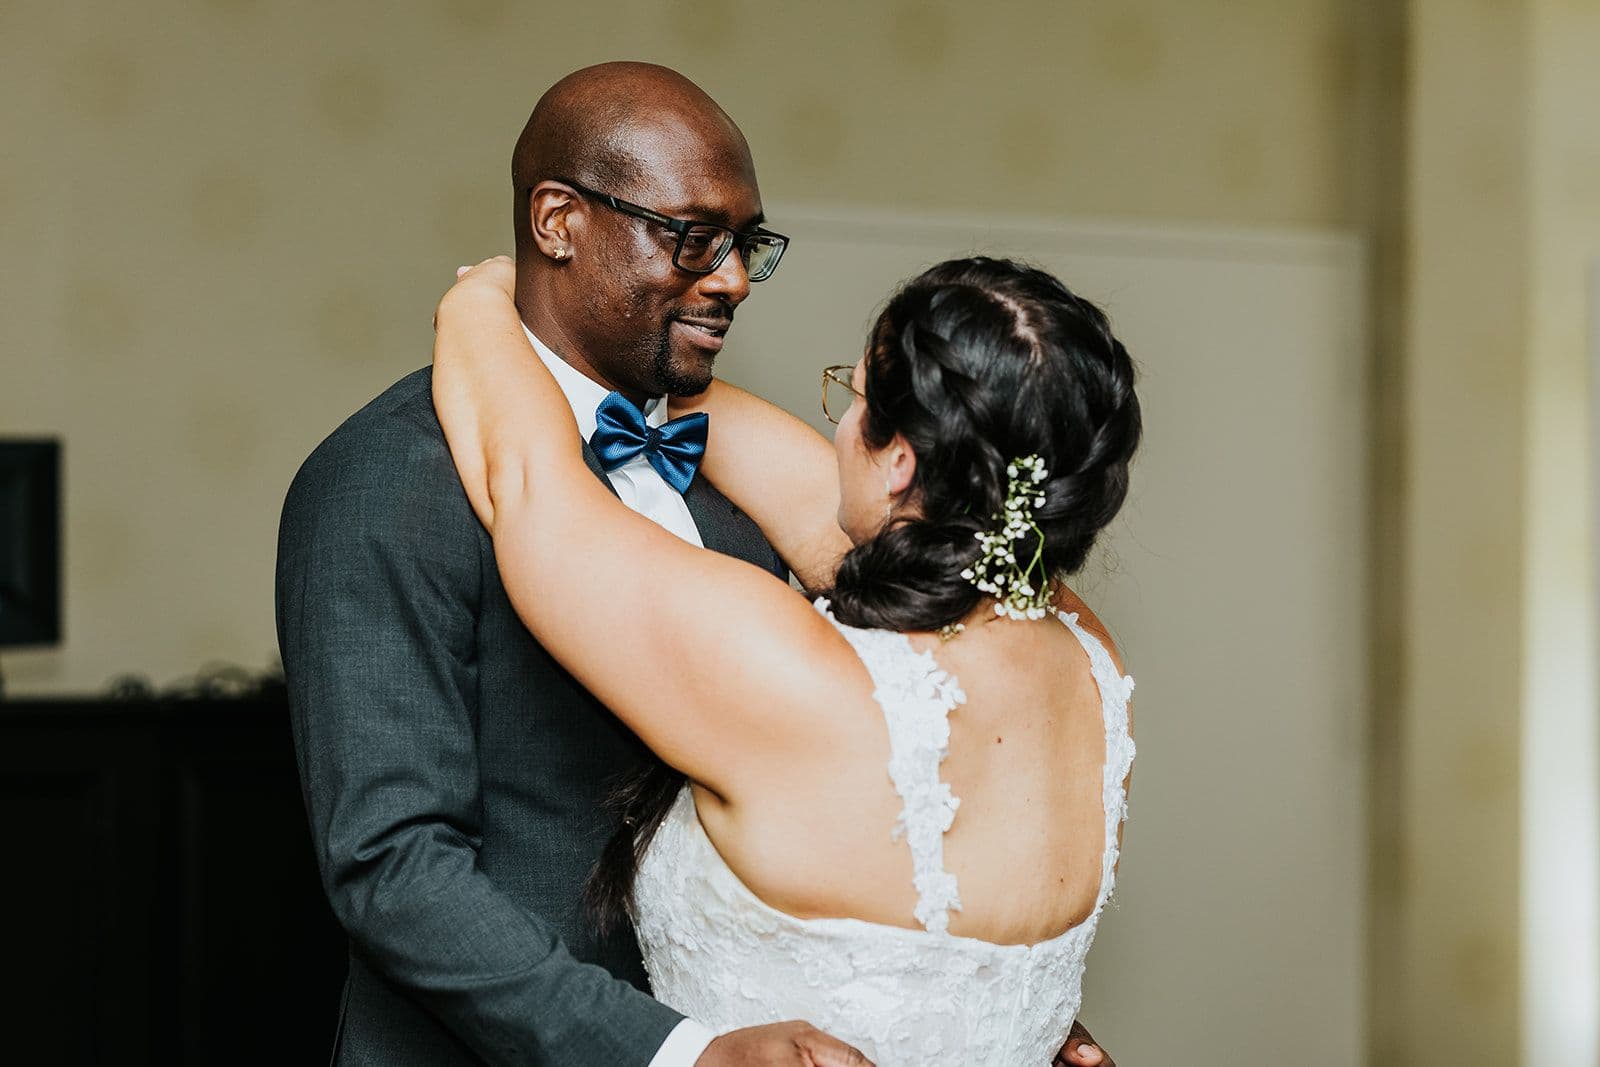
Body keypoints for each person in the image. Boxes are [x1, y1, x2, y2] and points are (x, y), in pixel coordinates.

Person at [277, 62, 1115, 1066]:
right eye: (691, 236)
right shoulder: (385, 479)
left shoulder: (752, 491)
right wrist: (671, 1051)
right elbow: (392, 868)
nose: (729, 277)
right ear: (555, 220)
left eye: (746, 243)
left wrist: (967, 1000)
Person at [429, 247, 1141, 1066]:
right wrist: (617, 356)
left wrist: (489, 296)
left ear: (900, 457)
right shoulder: (1091, 665)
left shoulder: (791, 675)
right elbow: (822, 508)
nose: (836, 426)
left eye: (854, 398)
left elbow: (527, 488)